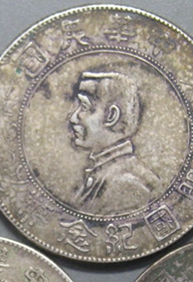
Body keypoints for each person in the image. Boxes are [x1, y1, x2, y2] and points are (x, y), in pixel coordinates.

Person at [68, 69, 161, 214]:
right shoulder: (103, 173)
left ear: (111, 116)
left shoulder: (126, 185)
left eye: (84, 107)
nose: (73, 118)